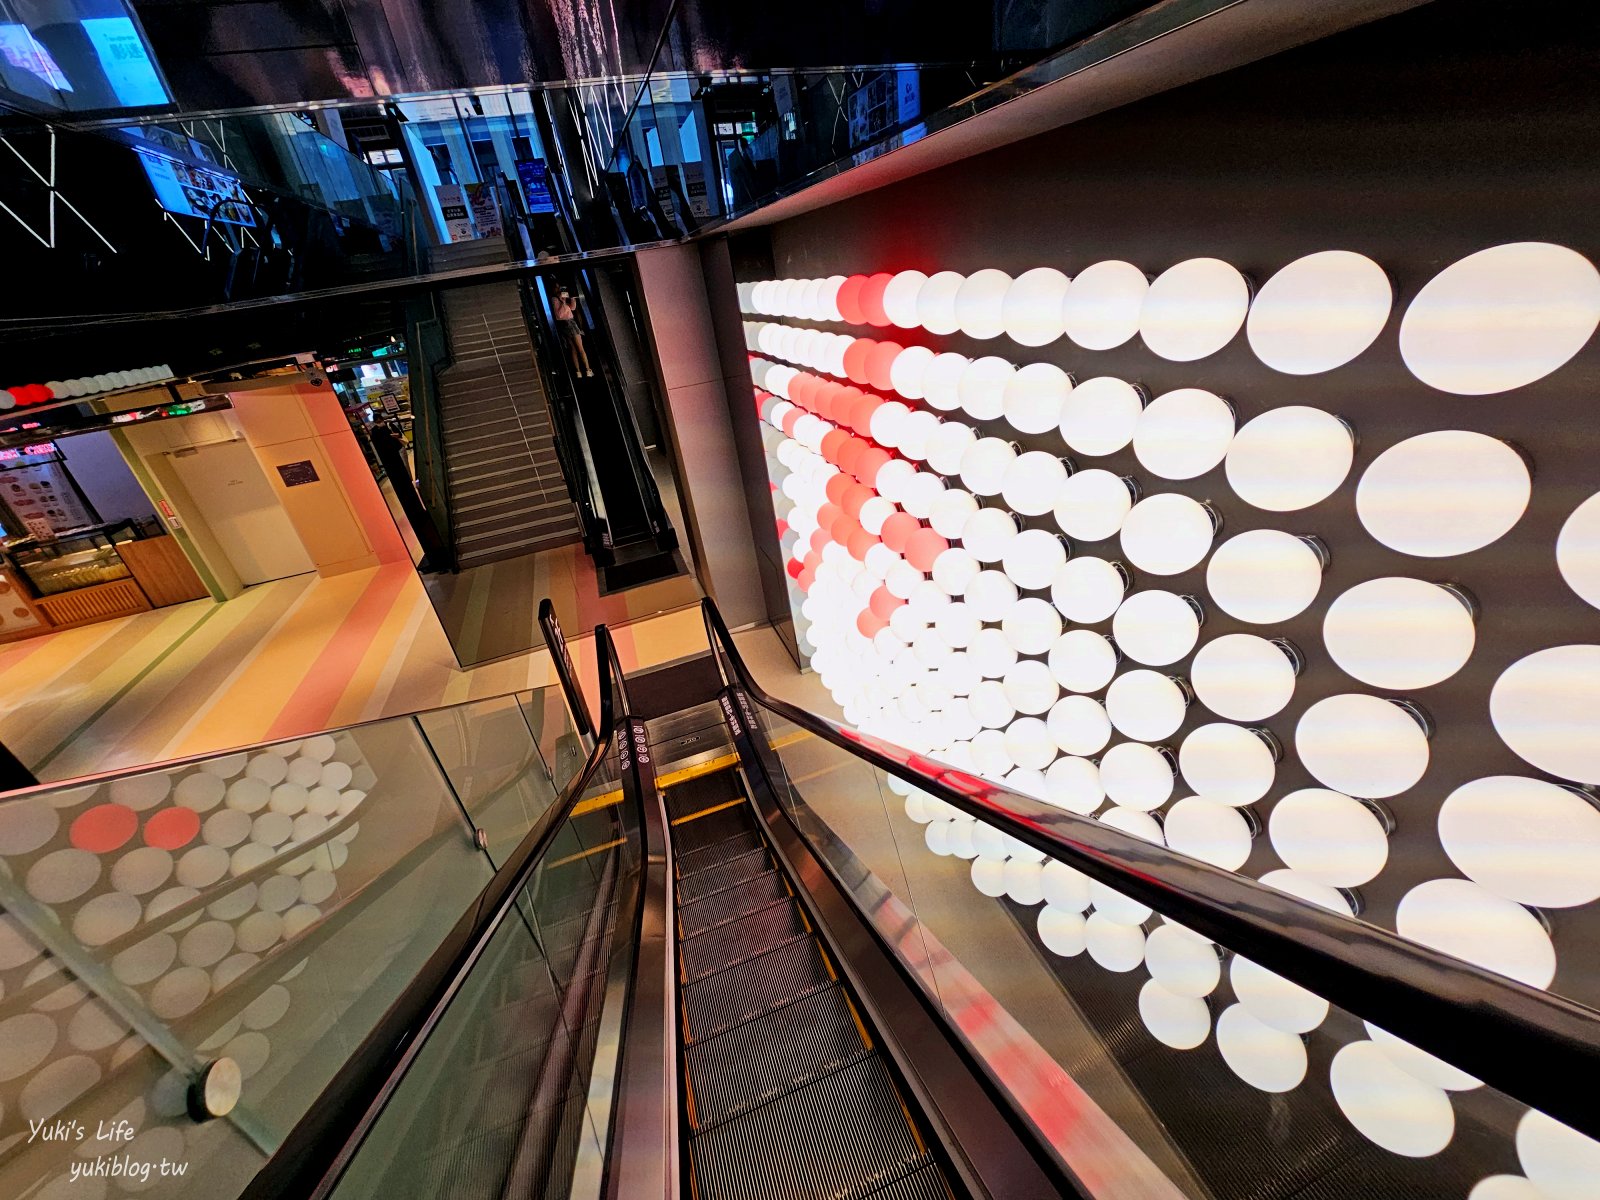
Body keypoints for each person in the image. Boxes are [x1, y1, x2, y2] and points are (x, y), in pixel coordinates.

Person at [552, 283, 593, 377]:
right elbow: (559, 315)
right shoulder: (554, 299)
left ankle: (580, 371)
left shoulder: (562, 297)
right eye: (557, 287)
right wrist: (562, 302)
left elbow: (572, 308)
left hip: (570, 322)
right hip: (567, 323)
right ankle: (586, 370)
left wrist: (571, 299)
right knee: (578, 348)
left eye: (559, 287)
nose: (559, 289)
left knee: (575, 349)